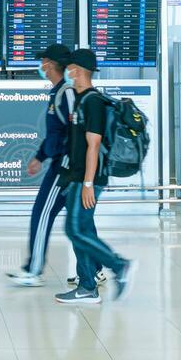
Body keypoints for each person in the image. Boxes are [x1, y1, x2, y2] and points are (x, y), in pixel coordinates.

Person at [54, 49, 135, 306]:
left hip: (89, 178)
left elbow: (94, 144)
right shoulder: (82, 99)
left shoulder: (93, 102)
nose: (68, 72)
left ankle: (118, 266)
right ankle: (87, 286)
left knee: (75, 229)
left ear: (77, 70)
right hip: (78, 176)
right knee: (83, 229)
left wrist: (88, 183)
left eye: (70, 68)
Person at [7, 44, 76, 288]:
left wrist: (58, 158)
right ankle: (97, 269)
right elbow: (55, 133)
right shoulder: (57, 93)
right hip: (61, 161)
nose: (41, 66)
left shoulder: (66, 92)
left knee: (42, 212)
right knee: (77, 221)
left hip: (66, 165)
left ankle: (34, 270)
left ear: (53, 64)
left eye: (44, 61)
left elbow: (72, 132)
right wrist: (40, 157)